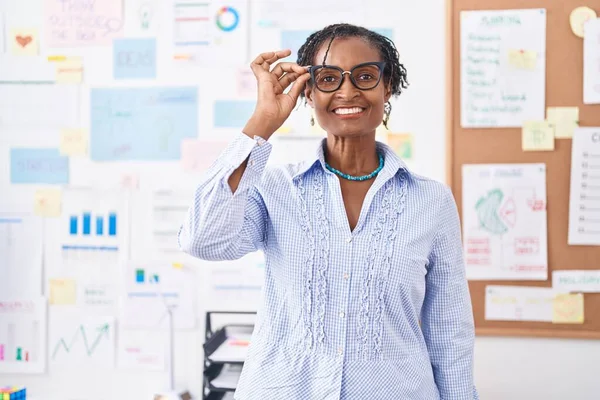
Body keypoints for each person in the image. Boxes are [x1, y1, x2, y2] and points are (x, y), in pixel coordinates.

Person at [179, 23, 478, 400]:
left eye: (365, 76)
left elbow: (450, 332)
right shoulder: (274, 189)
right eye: (328, 78)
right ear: (308, 92)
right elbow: (202, 240)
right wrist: (262, 122)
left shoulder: (431, 202)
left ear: (388, 87)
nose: (347, 91)